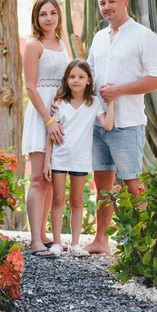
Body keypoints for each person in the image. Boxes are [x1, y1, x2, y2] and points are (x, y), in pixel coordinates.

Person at [84, 0, 157, 254]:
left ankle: (147, 246)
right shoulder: (98, 38)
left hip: (128, 124)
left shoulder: (144, 36)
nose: (106, 7)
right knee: (102, 185)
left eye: (111, 1)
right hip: (99, 123)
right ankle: (101, 240)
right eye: (102, 3)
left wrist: (119, 90)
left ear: (124, 1)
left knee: (133, 184)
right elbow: (90, 77)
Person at [43, 59, 115, 257]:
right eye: (72, 76)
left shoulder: (94, 104)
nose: (76, 80)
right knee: (58, 199)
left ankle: (75, 244)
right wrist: (47, 161)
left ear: (89, 81)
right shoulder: (59, 103)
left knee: (77, 201)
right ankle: (57, 242)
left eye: (81, 77)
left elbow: (108, 125)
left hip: (80, 160)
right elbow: (51, 134)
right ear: (66, 80)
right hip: (59, 158)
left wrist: (112, 102)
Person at [22, 0, 70, 257]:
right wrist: (48, 120)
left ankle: (43, 233)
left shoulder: (62, 43)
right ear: (36, 18)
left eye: (53, 13)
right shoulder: (33, 45)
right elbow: (30, 86)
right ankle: (34, 239)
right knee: (39, 178)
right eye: (43, 14)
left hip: (60, 113)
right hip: (42, 115)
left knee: (52, 178)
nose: (49, 18)